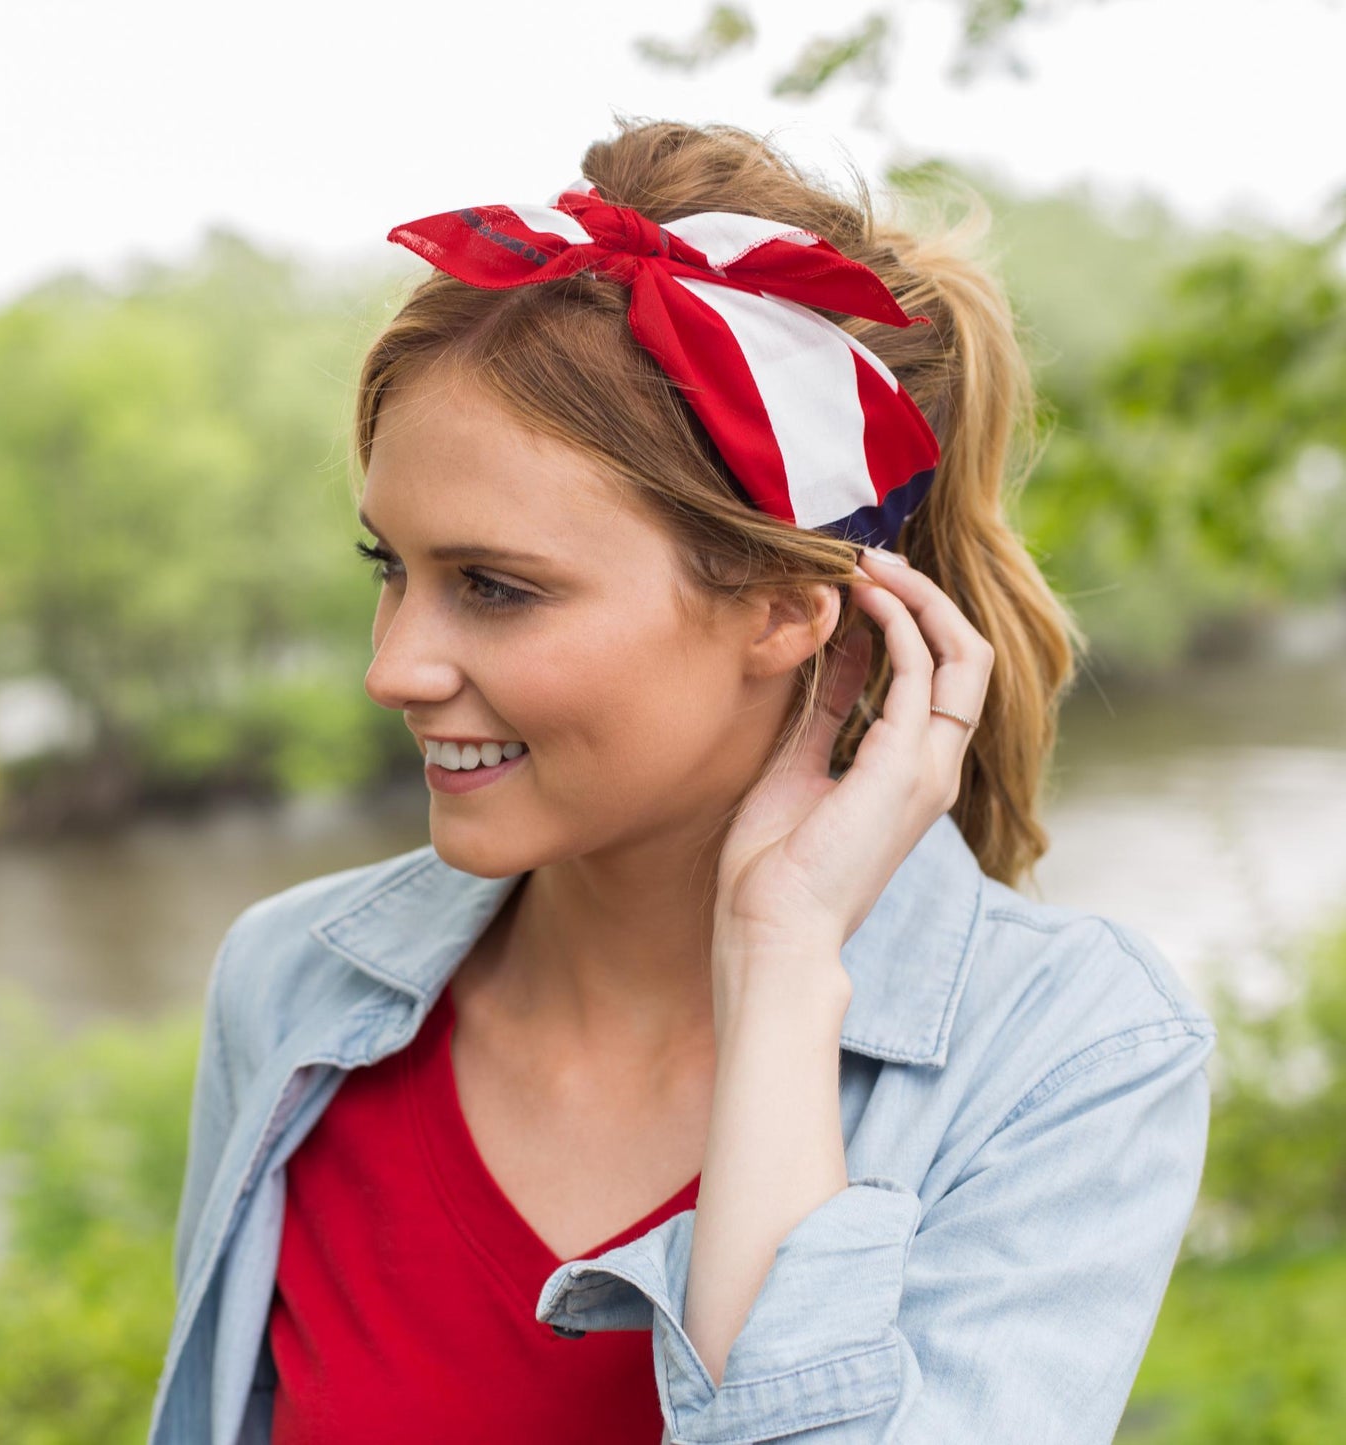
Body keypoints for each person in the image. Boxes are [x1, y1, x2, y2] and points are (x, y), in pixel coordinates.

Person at [146, 117, 1216, 1445]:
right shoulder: (289, 984)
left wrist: (781, 968)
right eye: (392, 570)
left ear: (782, 609)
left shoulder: (1073, 1055)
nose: (393, 668)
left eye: (494, 586)